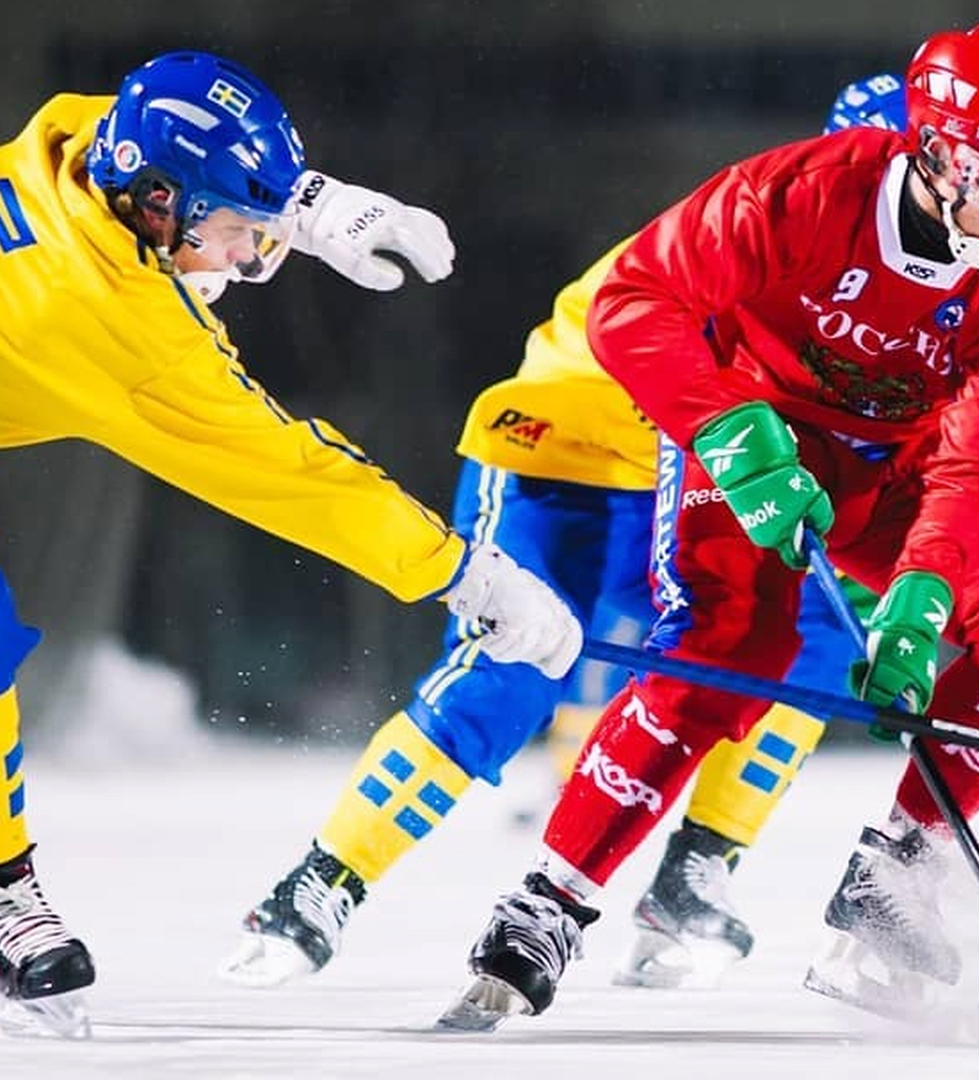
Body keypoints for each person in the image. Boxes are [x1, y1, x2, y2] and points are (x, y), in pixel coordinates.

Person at [0, 50, 579, 1036]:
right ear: (154, 205)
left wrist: (301, 202)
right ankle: (0, 891)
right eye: (235, 229)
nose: (246, 256)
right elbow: (288, 473)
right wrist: (462, 572)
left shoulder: (64, 150)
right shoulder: (102, 316)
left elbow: (146, 119)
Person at [447, 21, 979, 1028]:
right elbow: (632, 303)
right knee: (732, 637)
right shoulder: (796, 193)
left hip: (910, 467)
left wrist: (922, 595)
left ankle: (897, 874)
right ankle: (549, 901)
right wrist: (729, 438)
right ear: (936, 152)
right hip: (763, 440)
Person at [220, 75, 910, 994]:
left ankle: (695, 871)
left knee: (813, 643)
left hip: (702, 471)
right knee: (514, 665)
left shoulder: (917, 284)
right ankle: (319, 883)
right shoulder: (767, 227)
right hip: (572, 460)